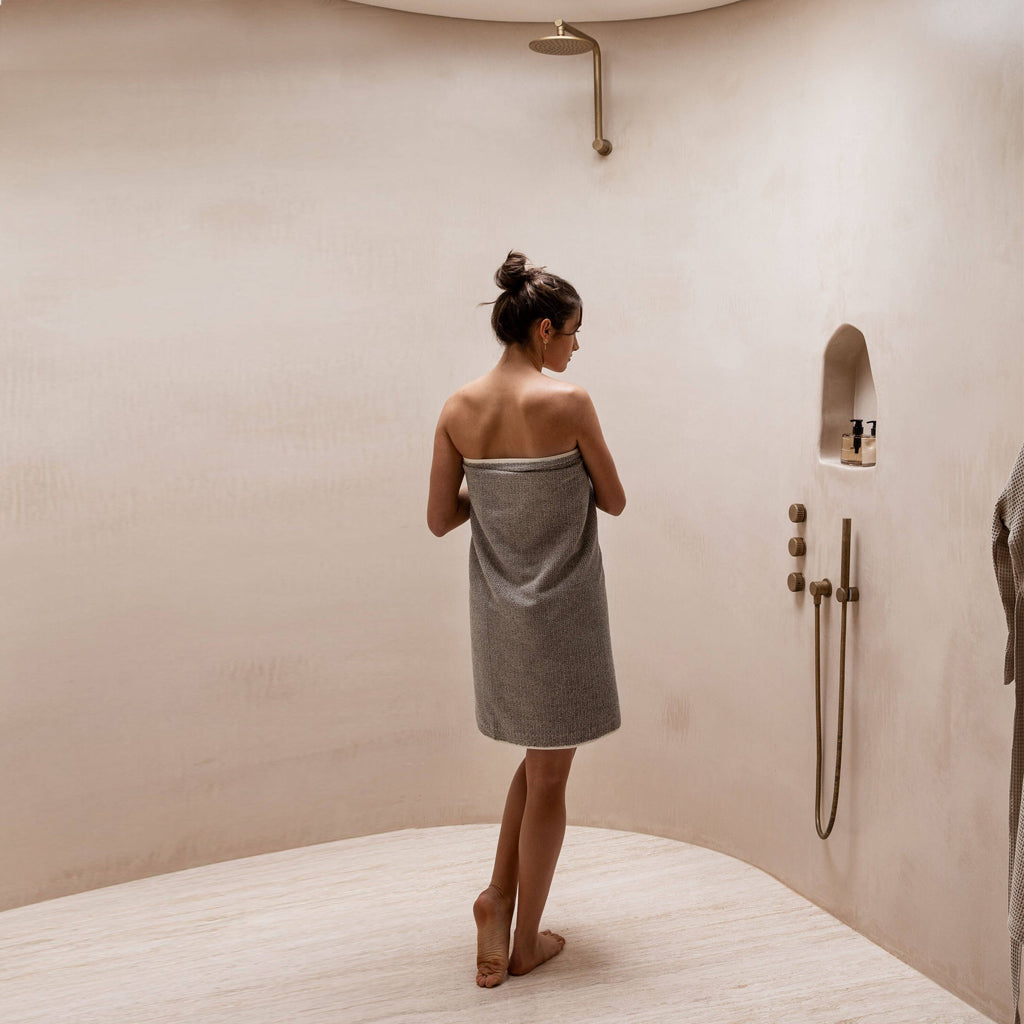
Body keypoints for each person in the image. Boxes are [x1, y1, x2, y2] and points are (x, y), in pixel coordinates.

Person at [427, 251, 625, 988]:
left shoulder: (458, 409)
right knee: (552, 776)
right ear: (544, 330)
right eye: (573, 333)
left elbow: (440, 517)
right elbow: (614, 499)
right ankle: (525, 941)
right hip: (564, 616)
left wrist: (497, 491)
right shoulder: (568, 402)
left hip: (500, 617)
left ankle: (497, 897)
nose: (575, 346)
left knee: (540, 762)